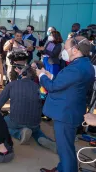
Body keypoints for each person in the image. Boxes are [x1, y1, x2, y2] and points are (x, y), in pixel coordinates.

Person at [38, 36, 95, 172]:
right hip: (73, 110)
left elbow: (52, 87)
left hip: (66, 113)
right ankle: (61, 168)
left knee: (65, 150)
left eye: (66, 48)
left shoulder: (75, 68)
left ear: (75, 50)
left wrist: (41, 76)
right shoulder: (86, 65)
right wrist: (51, 77)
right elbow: (70, 84)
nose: (64, 50)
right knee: (66, 146)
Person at [0, 66, 57, 152]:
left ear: (22, 74)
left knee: (3, 122)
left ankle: (19, 134)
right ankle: (42, 138)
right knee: (35, 130)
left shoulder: (12, 84)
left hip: (16, 120)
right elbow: (43, 102)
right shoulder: (39, 87)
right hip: (35, 122)